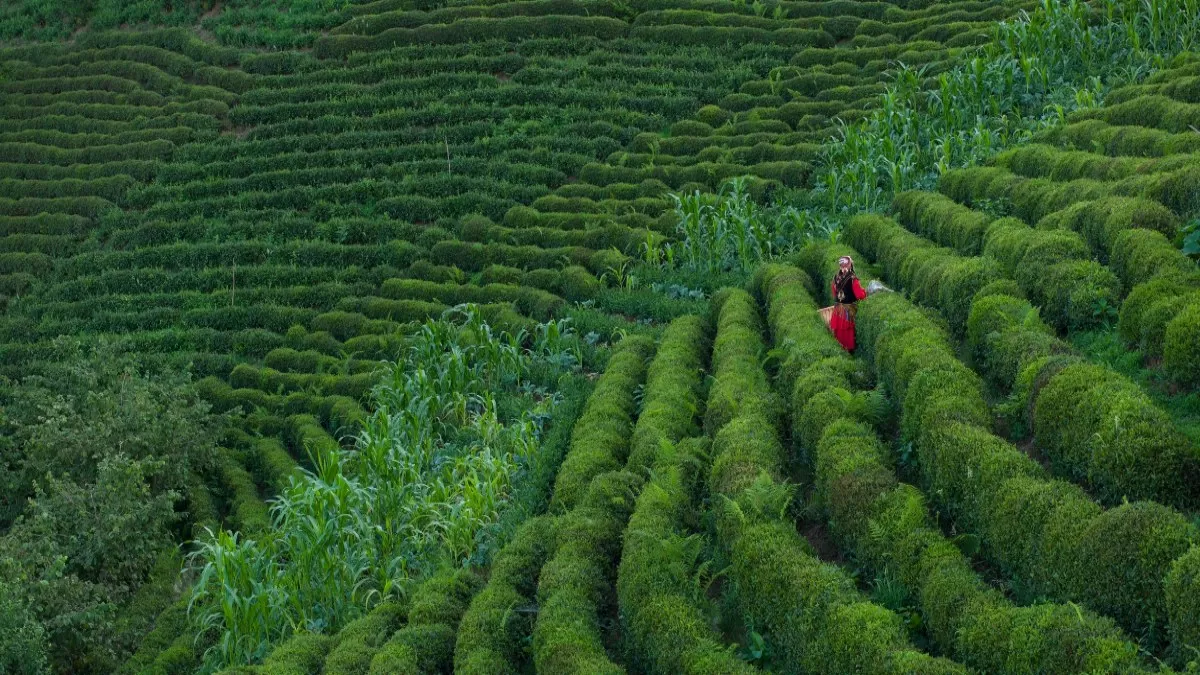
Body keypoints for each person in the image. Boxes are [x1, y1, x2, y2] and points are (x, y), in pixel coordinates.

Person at [830, 255, 866, 352]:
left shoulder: (835, 278)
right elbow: (860, 295)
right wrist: (865, 292)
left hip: (838, 310)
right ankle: (849, 351)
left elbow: (834, 292)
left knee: (839, 334)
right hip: (847, 311)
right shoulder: (852, 278)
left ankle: (840, 351)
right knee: (847, 333)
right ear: (849, 265)